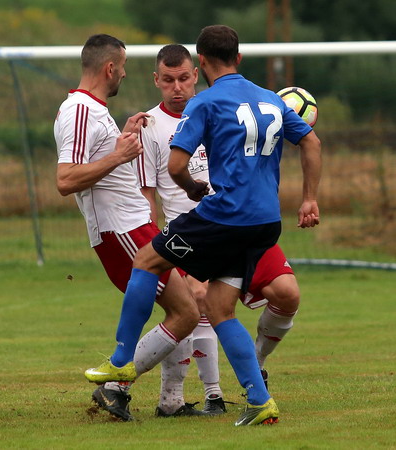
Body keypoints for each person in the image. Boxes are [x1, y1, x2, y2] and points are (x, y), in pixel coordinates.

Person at [85, 25, 322, 427]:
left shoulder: (205, 103)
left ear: (202, 63)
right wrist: (310, 198)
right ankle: (259, 400)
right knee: (218, 308)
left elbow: (177, 166)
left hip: (225, 215)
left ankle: (122, 362)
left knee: (146, 261)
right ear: (238, 58)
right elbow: (312, 142)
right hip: (266, 222)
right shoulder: (271, 98)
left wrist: (192, 187)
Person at [138, 44, 301, 415]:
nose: (177, 87)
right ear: (156, 80)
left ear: (197, 72)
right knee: (200, 301)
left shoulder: (223, 105)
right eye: (168, 80)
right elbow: (149, 191)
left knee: (287, 293)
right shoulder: (150, 126)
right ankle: (204, 395)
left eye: (183, 78)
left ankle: (256, 369)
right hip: (197, 230)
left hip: (238, 220)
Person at [54, 34, 207, 421]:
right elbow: (66, 179)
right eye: (122, 67)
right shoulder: (79, 110)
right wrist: (120, 155)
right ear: (110, 68)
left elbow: (96, 162)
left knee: (188, 310)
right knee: (186, 312)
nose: (124, 73)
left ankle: (164, 401)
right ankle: (115, 386)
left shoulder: (93, 109)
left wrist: (120, 141)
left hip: (133, 225)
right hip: (120, 229)